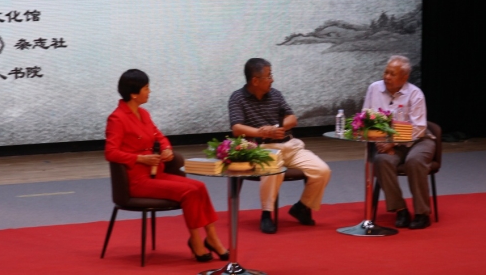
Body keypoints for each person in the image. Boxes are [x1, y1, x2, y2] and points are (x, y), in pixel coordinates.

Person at [105, 69, 228, 262]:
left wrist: (167, 149)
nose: (149, 92)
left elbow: (159, 137)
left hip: (157, 174)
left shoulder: (144, 114)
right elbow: (110, 152)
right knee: (189, 192)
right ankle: (196, 241)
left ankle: (212, 238)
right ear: (134, 93)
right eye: (146, 88)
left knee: (200, 187)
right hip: (137, 181)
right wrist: (140, 159)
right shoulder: (117, 118)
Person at [228, 58, 331, 234]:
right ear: (255, 80)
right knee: (273, 170)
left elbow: (292, 119)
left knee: (322, 170)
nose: (272, 79)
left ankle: (302, 206)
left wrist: (276, 128)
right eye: (269, 76)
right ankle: (266, 214)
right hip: (262, 149)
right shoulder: (237, 98)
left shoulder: (275, 94)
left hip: (290, 146)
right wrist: (262, 132)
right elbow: (237, 128)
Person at [364, 55, 436, 229]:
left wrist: (393, 142)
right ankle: (400, 210)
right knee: (382, 161)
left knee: (414, 161)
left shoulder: (415, 94)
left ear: (404, 77)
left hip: (419, 141)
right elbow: (366, 117)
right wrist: (380, 141)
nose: (387, 77)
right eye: (386, 72)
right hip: (389, 141)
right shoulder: (374, 88)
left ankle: (422, 213)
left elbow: (418, 128)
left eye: (392, 74)